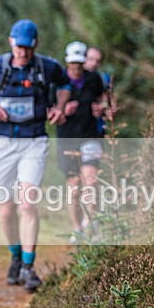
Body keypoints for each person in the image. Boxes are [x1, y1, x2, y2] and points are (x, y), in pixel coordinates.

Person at [0, 19, 68, 293]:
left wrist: (60, 107)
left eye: (28, 48)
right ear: (10, 42)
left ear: (35, 45)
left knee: (27, 204)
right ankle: (15, 256)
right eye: (19, 47)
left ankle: (29, 266)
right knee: (5, 210)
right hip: (2, 142)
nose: (23, 53)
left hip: (34, 141)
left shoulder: (46, 67)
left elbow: (65, 84)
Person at [48, 41, 105, 244]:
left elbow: (103, 97)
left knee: (91, 180)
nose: (76, 66)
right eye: (73, 63)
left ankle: (94, 225)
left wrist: (102, 107)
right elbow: (48, 111)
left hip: (90, 136)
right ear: (67, 61)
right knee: (74, 187)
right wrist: (61, 110)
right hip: (67, 139)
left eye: (80, 62)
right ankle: (77, 227)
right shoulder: (57, 82)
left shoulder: (94, 79)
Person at [83, 46, 118, 137]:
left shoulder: (104, 79)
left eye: (98, 61)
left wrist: (104, 107)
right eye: (90, 59)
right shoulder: (71, 78)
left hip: (97, 129)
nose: (94, 63)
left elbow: (111, 104)